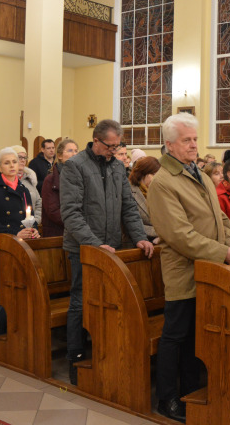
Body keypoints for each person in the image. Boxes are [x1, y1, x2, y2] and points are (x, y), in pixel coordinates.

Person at [148, 113, 230, 423]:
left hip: (210, 269)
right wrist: (224, 253)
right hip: (184, 271)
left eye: (195, 139)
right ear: (169, 145)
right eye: (186, 140)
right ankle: (167, 399)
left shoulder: (199, 174)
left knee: (195, 337)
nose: (193, 145)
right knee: (175, 336)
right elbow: (180, 235)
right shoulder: (164, 182)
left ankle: (190, 392)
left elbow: (220, 216)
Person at [59, 120, 152, 385]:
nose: (114, 151)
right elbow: (71, 213)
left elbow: (128, 207)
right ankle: (75, 357)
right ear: (96, 141)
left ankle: (106, 353)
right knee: (80, 301)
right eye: (111, 146)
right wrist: (94, 243)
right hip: (83, 248)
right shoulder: (75, 166)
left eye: (118, 146)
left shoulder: (117, 167)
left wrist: (140, 237)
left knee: (109, 302)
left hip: (112, 247)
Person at [0, 147, 39, 337]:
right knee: (8, 293)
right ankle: (0, 335)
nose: (12, 165)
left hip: (22, 244)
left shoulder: (23, 189)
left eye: (14, 161)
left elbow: (29, 216)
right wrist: (15, 233)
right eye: (7, 163)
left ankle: (19, 333)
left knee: (22, 290)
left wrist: (34, 230)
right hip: (2, 245)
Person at [41, 139, 78, 237]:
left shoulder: (80, 177)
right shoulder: (50, 179)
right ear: (60, 156)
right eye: (70, 151)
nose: (74, 154)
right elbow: (52, 211)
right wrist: (76, 223)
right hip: (57, 233)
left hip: (78, 230)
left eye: (76, 151)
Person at [127, 156, 161, 244]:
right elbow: (130, 222)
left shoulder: (157, 191)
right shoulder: (129, 191)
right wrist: (161, 232)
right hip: (136, 243)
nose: (157, 179)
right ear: (143, 173)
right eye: (154, 175)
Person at [11, 145, 42, 225]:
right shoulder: (5, 181)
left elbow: (39, 202)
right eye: (19, 157)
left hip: (30, 226)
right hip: (11, 227)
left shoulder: (30, 179)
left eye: (25, 158)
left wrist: (36, 220)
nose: (23, 160)